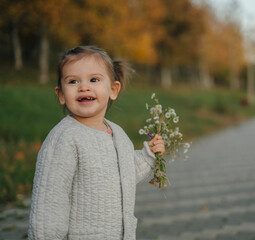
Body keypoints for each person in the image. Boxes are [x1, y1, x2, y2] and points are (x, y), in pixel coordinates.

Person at [27, 46, 165, 239]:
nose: (84, 87)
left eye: (94, 80)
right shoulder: (65, 138)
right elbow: (49, 202)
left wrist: (148, 155)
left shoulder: (117, 133)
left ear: (113, 90)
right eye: (73, 81)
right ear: (60, 94)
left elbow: (124, 176)